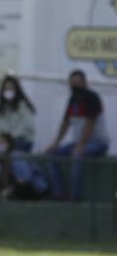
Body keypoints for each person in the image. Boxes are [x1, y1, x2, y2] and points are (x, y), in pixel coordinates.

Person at [43, 69, 110, 201]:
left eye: (77, 84)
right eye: (72, 84)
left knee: (77, 155)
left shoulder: (92, 97)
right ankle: (59, 192)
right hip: (79, 142)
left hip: (98, 143)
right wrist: (55, 143)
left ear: (84, 83)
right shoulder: (73, 99)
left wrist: (81, 145)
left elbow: (90, 123)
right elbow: (65, 123)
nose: (75, 87)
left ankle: (76, 195)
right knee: (51, 155)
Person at [0, 74, 36, 153]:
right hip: (8, 141)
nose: (8, 91)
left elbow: (27, 127)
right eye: (6, 89)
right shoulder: (3, 108)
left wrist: (9, 139)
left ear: (16, 90)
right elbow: (2, 129)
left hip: (23, 141)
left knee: (8, 151)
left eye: (11, 89)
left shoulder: (23, 105)